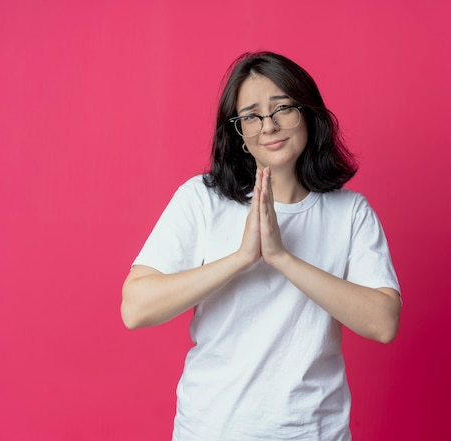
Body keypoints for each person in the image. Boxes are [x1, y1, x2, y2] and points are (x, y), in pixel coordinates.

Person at [121, 51, 401, 441]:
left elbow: (383, 323)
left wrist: (282, 257)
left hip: (315, 432)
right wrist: (240, 258)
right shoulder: (202, 199)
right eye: (251, 116)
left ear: (308, 113)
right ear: (237, 133)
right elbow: (135, 308)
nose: (268, 126)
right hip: (213, 429)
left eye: (282, 108)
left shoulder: (350, 212)